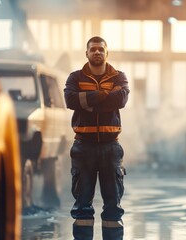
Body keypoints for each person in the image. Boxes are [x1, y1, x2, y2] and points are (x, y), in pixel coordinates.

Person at [64, 36, 130, 240]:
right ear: (87, 53)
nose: (97, 52)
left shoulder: (119, 76)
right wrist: (105, 95)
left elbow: (121, 99)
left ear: (106, 53)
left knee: (113, 206)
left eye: (101, 49)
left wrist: (87, 99)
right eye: (93, 49)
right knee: (82, 206)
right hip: (83, 146)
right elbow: (70, 100)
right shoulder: (75, 77)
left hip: (111, 147)